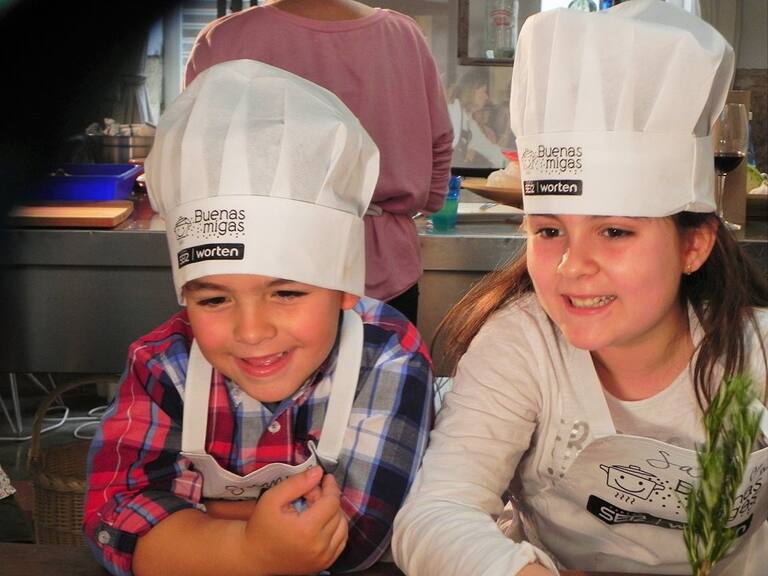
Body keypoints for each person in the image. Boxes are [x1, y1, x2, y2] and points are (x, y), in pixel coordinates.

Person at [392, 1, 768, 575]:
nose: (572, 266)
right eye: (549, 231)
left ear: (693, 245)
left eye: (614, 231)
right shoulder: (522, 346)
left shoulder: (755, 353)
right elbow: (435, 514)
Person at [83, 60, 433, 576]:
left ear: (344, 287)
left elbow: (354, 538)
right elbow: (114, 524)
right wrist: (252, 550)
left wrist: (199, 523)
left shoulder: (388, 354)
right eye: (214, 300)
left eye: (286, 293)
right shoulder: (162, 364)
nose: (251, 332)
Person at [185, 0, 454, 326]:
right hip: (384, 262)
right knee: (387, 361)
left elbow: (196, 158)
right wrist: (421, 205)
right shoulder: (404, 34)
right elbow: (439, 142)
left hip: (260, 266)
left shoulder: (225, 37)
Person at [446, 69, 507, 168]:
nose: (486, 97)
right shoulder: (451, 112)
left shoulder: (469, 123)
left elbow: (491, 151)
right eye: (484, 91)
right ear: (471, 91)